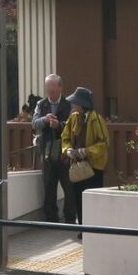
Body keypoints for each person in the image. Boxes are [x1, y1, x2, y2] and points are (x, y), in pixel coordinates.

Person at [60, 87, 108, 228]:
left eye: (75, 103)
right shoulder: (73, 118)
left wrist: (86, 151)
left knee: (93, 201)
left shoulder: (96, 120)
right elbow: (65, 136)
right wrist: (67, 150)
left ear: (82, 104)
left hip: (94, 168)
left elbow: (104, 144)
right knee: (78, 200)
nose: (73, 105)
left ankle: (95, 229)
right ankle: (82, 228)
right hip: (77, 166)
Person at [32, 73, 72, 222]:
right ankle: (51, 217)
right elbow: (34, 123)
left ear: (60, 88)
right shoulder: (41, 104)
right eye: (48, 90)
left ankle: (69, 216)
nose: (51, 94)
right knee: (49, 184)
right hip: (47, 150)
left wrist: (59, 125)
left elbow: (72, 126)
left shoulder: (69, 105)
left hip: (64, 151)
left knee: (68, 184)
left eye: (53, 91)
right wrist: (45, 119)